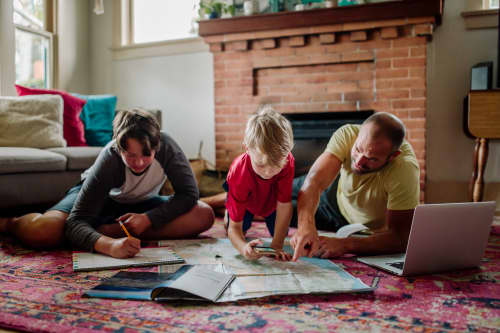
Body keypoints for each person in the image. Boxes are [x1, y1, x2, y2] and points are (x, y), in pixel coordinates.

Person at [0, 108, 214, 258]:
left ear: (157, 146)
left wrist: (149, 219)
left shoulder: (167, 147)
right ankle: (10, 222)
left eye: (146, 155)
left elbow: (188, 195)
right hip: (99, 201)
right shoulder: (109, 157)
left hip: (140, 205)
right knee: (44, 230)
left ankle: (105, 230)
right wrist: (110, 246)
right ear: (119, 149)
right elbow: (76, 221)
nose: (138, 162)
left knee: (203, 214)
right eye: (130, 155)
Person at [290, 112, 420, 261]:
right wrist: (306, 225)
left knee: (278, 212)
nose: (359, 161)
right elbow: (314, 182)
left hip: (353, 226)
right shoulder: (348, 134)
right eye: (358, 149)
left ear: (393, 156)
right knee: (278, 192)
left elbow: (401, 239)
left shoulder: (404, 168)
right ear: (358, 134)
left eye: (371, 159)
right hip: (334, 192)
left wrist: (346, 244)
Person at [225, 107, 295, 261]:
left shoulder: (288, 161)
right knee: (235, 230)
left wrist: (277, 245)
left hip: (271, 204)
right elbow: (234, 229)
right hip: (247, 203)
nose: (269, 172)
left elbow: (284, 205)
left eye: (277, 166)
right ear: (246, 149)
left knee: (282, 232)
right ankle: (227, 208)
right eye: (261, 165)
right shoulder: (239, 171)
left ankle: (228, 207)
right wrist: (244, 248)